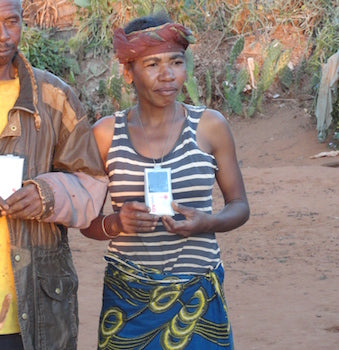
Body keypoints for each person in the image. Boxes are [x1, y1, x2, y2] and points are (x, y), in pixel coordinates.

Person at [81, 12, 250, 350]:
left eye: (176, 62)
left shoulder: (210, 127)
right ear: (128, 73)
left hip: (197, 298)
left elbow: (240, 206)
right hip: (129, 302)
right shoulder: (104, 134)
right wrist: (117, 222)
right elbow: (86, 222)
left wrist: (207, 222)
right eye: (152, 64)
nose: (167, 75)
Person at [0, 0, 108, 349]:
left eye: (11, 21)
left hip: (36, 303)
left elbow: (92, 184)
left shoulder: (54, 98)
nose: (3, 35)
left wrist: (47, 195)